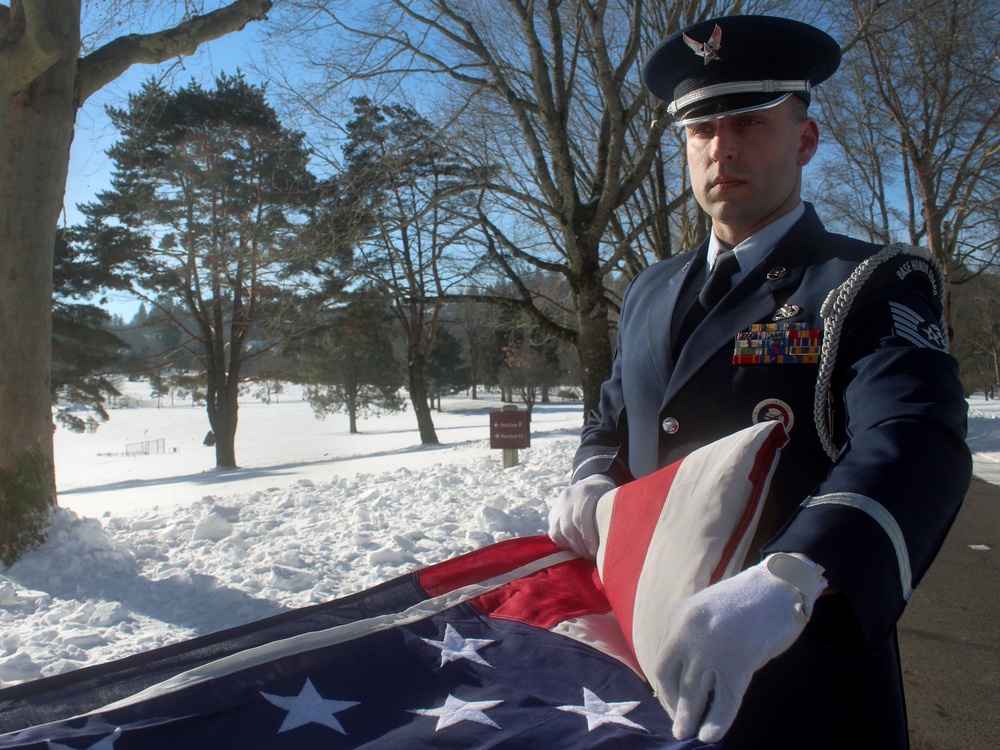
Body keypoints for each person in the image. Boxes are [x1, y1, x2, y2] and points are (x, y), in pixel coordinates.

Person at [547, 15, 971, 750]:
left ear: (805, 141)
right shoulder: (650, 289)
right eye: (701, 130)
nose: (722, 148)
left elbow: (913, 436)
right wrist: (591, 477)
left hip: (796, 667)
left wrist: (798, 574)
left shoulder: (866, 282)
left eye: (749, 122)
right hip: (645, 662)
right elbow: (613, 414)